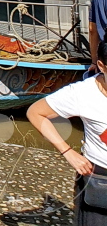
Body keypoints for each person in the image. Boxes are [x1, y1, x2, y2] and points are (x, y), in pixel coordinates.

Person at [28, 38, 107, 225]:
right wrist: (67, 152)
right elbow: (36, 113)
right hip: (100, 178)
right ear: (102, 66)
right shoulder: (82, 94)